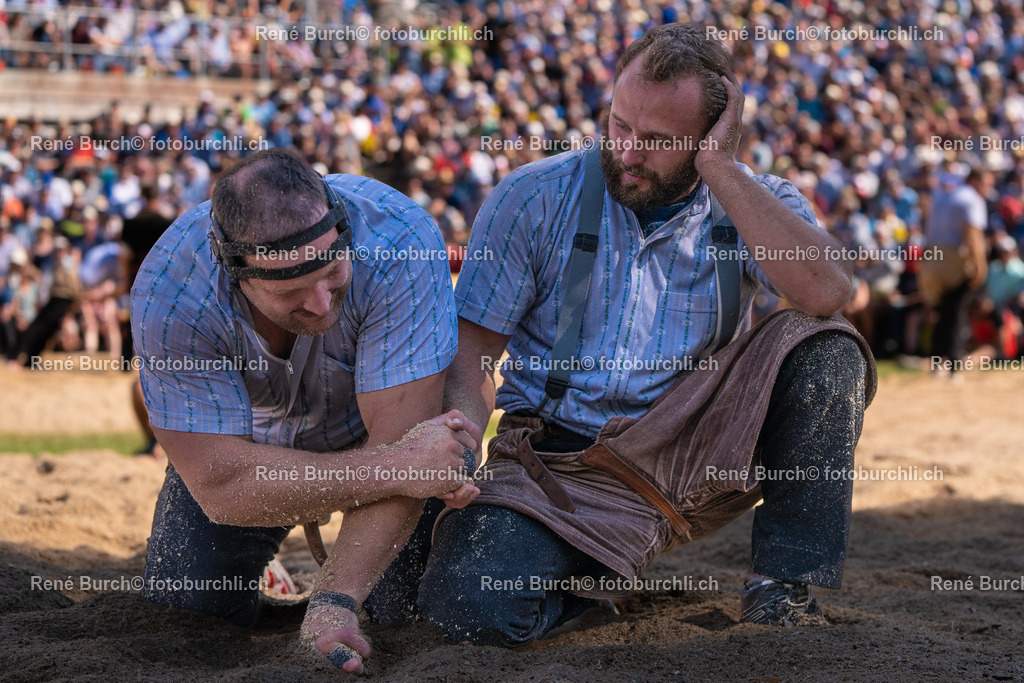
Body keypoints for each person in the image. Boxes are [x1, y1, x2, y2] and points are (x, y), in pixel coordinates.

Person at [417, 23, 875, 647]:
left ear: (710, 135)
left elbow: (828, 293)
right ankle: (587, 576)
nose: (628, 151)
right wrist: (462, 448)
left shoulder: (751, 198)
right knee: (467, 610)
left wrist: (721, 171)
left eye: (658, 139)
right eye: (619, 124)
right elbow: (471, 352)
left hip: (697, 445)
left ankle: (782, 586)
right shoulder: (531, 197)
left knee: (827, 349)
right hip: (561, 463)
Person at [130, 148, 483, 674]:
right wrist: (399, 467)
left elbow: (410, 444)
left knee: (408, 614)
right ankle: (270, 577)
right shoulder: (173, 290)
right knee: (188, 610)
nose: (320, 303)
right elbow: (222, 486)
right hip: (256, 450)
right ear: (235, 272)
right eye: (290, 289)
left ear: (342, 226)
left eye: (332, 272)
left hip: (375, 428)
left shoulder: (399, 239)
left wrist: (333, 604)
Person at [918, 169, 991, 376]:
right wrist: (980, 266)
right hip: (952, 258)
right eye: (986, 182)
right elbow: (972, 233)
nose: (988, 188)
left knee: (942, 311)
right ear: (975, 180)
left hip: (931, 256)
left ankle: (936, 363)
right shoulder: (971, 198)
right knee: (957, 311)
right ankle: (954, 365)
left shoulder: (943, 196)